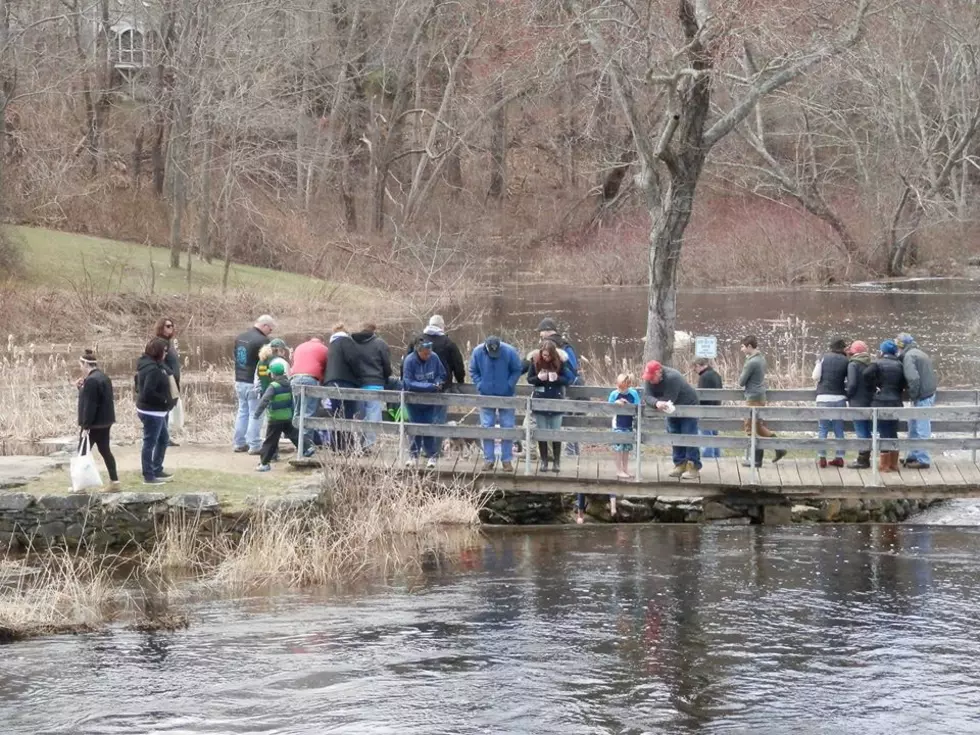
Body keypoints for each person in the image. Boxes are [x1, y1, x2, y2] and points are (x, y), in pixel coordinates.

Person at [470, 335, 523, 472]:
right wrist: (480, 385)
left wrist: (509, 385)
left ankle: (506, 460)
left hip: (507, 395)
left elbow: (517, 369)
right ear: (486, 347)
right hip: (486, 394)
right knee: (487, 427)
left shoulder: (510, 351)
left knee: (507, 426)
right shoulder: (477, 352)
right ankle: (489, 459)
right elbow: (473, 371)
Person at [642, 360, 701, 480]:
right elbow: (646, 396)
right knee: (674, 434)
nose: (650, 380)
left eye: (652, 377)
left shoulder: (673, 377)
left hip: (688, 405)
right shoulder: (649, 378)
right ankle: (679, 464)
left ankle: (693, 467)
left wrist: (658, 401)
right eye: (648, 377)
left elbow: (669, 399)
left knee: (688, 435)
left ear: (659, 372)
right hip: (670, 409)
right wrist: (656, 402)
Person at [527, 340, 575, 473]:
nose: (545, 357)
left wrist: (558, 379)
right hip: (540, 401)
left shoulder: (561, 362)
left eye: (548, 355)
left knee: (556, 432)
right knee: (542, 433)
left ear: (553, 354)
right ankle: (544, 461)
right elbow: (529, 379)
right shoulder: (535, 361)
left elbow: (569, 379)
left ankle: (557, 461)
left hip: (556, 400)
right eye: (544, 355)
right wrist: (538, 378)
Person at [738, 335, 786, 468]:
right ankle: (779, 448)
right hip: (760, 396)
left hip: (753, 398)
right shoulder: (761, 359)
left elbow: (741, 382)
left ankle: (757, 460)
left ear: (749, 346)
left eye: (742, 346)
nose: (741, 349)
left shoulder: (751, 362)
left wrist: (744, 367)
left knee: (750, 427)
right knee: (758, 426)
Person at [536, 317, 582, 456]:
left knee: (566, 422)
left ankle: (570, 454)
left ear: (547, 332)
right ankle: (573, 454)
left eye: (541, 333)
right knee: (569, 422)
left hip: (565, 388)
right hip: (570, 386)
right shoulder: (566, 345)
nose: (540, 336)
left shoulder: (558, 346)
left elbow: (571, 370)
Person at [135, 337, 177, 485]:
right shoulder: (153, 369)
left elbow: (137, 384)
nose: (166, 354)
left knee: (163, 439)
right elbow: (148, 392)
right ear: (158, 352)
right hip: (152, 412)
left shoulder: (147, 364)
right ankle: (148, 475)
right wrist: (165, 400)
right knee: (150, 442)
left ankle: (156, 468)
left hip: (153, 410)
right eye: (164, 351)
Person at [254, 359, 310, 471]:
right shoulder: (289, 384)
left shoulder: (273, 386)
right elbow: (292, 401)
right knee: (293, 434)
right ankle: (307, 448)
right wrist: (293, 413)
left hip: (275, 418)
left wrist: (257, 413)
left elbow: (265, 400)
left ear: (273, 374)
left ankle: (264, 463)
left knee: (270, 441)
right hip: (287, 416)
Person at [76, 348, 119, 491]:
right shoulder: (103, 377)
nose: (80, 368)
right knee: (106, 451)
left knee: (81, 453)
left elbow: (90, 405)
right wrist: (82, 388)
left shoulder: (91, 381)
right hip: (105, 422)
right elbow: (101, 399)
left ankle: (81, 486)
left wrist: (85, 425)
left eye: (81, 365)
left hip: (93, 425)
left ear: (86, 365)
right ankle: (115, 482)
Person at [403, 337, 448, 468]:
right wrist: (430, 386)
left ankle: (432, 456)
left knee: (428, 427)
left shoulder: (434, 357)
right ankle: (413, 455)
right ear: (418, 351)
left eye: (429, 353)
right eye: (425, 354)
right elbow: (408, 382)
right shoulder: (409, 361)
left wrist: (439, 382)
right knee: (415, 427)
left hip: (429, 400)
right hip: (413, 401)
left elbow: (441, 373)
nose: (428, 356)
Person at [233, 315, 275, 454]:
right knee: (255, 414)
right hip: (253, 382)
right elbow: (267, 362)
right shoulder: (262, 341)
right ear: (264, 326)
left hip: (239, 379)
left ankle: (239, 443)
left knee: (242, 412)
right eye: (270, 328)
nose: (271, 331)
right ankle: (255, 444)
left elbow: (236, 357)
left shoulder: (240, 337)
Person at [864, 340, 907, 473]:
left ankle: (884, 465)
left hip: (881, 400)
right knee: (893, 431)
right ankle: (894, 464)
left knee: (883, 431)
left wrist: (874, 386)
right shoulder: (900, 364)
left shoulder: (877, 363)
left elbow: (865, 374)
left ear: (882, 351)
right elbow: (905, 382)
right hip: (896, 401)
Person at [897, 333, 937, 469]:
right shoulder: (919, 353)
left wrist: (912, 395)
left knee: (921, 427)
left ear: (902, 345)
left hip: (922, 396)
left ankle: (923, 459)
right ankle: (913, 455)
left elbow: (913, 378)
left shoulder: (909, 357)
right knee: (913, 426)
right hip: (927, 393)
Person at [351, 323, 392, 452]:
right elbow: (386, 365)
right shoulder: (380, 343)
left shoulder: (352, 343)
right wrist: (385, 377)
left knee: (359, 415)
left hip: (357, 384)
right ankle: (368, 445)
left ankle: (357, 444)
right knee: (373, 414)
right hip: (375, 383)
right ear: (374, 330)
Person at [323, 323, 362, 454]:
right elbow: (353, 359)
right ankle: (347, 446)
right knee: (348, 414)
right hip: (345, 381)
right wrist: (359, 375)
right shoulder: (346, 341)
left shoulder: (332, 345)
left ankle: (335, 445)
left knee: (336, 413)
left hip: (331, 381)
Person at [812, 338, 849, 468]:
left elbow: (815, 376)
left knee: (823, 428)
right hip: (839, 397)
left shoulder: (823, 357)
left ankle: (822, 457)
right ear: (842, 348)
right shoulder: (846, 360)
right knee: (839, 428)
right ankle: (839, 457)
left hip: (823, 397)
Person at [290, 336, 329, 451]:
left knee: (297, 411)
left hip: (295, 378)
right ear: (322, 341)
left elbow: (294, 362)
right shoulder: (323, 348)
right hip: (310, 379)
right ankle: (305, 446)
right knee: (309, 412)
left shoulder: (300, 347)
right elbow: (327, 368)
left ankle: (297, 441)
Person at [845, 340, 875, 469]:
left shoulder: (853, 365)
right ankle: (866, 457)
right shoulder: (870, 363)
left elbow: (851, 384)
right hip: (870, 400)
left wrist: (848, 395)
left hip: (857, 401)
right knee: (867, 429)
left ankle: (863, 460)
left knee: (860, 429)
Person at [155, 317, 181, 448]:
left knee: (168, 409)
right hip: (166, 381)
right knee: (164, 410)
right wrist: (169, 373)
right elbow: (157, 362)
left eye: (172, 326)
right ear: (161, 327)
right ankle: (163, 438)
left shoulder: (169, 343)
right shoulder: (159, 343)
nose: (171, 328)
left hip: (174, 381)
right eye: (168, 326)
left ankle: (164, 437)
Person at [694, 357, 722, 459]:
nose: (695, 371)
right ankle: (716, 456)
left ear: (698, 366)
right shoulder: (717, 375)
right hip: (717, 407)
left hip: (706, 410)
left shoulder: (704, 377)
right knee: (714, 434)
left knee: (706, 434)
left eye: (695, 369)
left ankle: (708, 457)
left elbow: (702, 396)